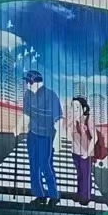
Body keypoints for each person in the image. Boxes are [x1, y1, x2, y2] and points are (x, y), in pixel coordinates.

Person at [20, 70, 63, 206]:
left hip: (46, 136)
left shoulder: (51, 95)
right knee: (33, 165)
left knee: (45, 165)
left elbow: (58, 120)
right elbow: (26, 115)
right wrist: (18, 127)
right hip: (32, 134)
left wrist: (58, 140)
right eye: (27, 81)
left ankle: (54, 195)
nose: (27, 84)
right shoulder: (27, 95)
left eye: (29, 82)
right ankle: (40, 195)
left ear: (38, 82)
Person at [63, 96, 99, 205]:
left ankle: (86, 196)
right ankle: (79, 194)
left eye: (77, 107)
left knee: (86, 175)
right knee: (79, 174)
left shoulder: (88, 120)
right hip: (75, 152)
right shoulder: (72, 121)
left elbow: (95, 137)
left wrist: (87, 152)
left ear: (84, 109)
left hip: (85, 153)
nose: (75, 110)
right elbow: (68, 136)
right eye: (73, 107)